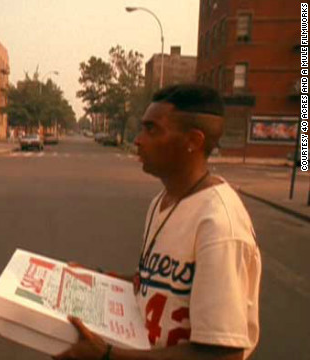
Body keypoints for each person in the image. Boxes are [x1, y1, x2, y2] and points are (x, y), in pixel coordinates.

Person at [55, 84, 261, 360]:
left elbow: (224, 354)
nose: (138, 140)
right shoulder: (162, 201)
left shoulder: (219, 223)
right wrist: (94, 278)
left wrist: (106, 356)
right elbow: (154, 282)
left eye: (151, 129)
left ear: (194, 141)